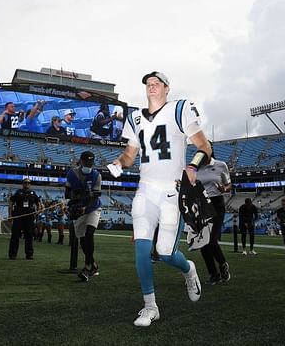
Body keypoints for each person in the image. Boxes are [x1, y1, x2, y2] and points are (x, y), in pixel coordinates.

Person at [111, 71, 212, 327]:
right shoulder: (134, 118)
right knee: (142, 250)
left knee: (165, 253)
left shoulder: (180, 109)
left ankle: (188, 269)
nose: (151, 86)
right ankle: (149, 306)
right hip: (145, 190)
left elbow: (204, 147)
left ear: (167, 88)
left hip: (172, 191)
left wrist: (192, 167)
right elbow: (130, 155)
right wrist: (119, 163)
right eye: (148, 83)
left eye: (157, 83)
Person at [196, 143, 231, 284]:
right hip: (201, 205)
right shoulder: (195, 167)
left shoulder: (221, 165)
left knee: (211, 240)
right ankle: (213, 274)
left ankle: (223, 264)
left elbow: (229, 184)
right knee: (203, 242)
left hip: (216, 204)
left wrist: (225, 188)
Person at [65, 151, 102, 282]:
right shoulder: (71, 174)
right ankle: (94, 265)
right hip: (79, 208)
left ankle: (87, 267)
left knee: (89, 234)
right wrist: (72, 202)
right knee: (82, 240)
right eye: (86, 162)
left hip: (93, 208)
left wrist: (84, 207)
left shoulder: (96, 175)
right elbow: (67, 192)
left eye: (90, 163)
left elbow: (96, 195)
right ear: (81, 161)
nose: (89, 165)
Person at [8, 178, 42, 260]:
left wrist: (38, 211)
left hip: (29, 217)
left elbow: (38, 203)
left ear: (30, 184)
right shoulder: (18, 192)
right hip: (18, 216)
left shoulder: (33, 193)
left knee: (29, 236)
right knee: (15, 236)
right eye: (25, 182)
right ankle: (13, 254)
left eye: (28, 182)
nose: (27, 184)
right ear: (22, 184)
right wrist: (10, 215)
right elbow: (11, 202)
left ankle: (29, 254)